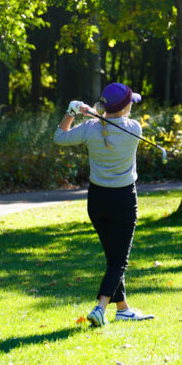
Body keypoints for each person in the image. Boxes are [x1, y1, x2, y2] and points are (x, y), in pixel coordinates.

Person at [54, 82, 154, 327]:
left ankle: (123, 309)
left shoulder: (90, 128)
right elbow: (109, 121)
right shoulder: (134, 128)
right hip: (123, 200)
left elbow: (60, 136)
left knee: (113, 259)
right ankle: (100, 308)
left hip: (97, 200)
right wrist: (94, 114)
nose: (132, 106)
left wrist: (73, 111)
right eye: (131, 102)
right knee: (119, 261)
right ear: (125, 108)